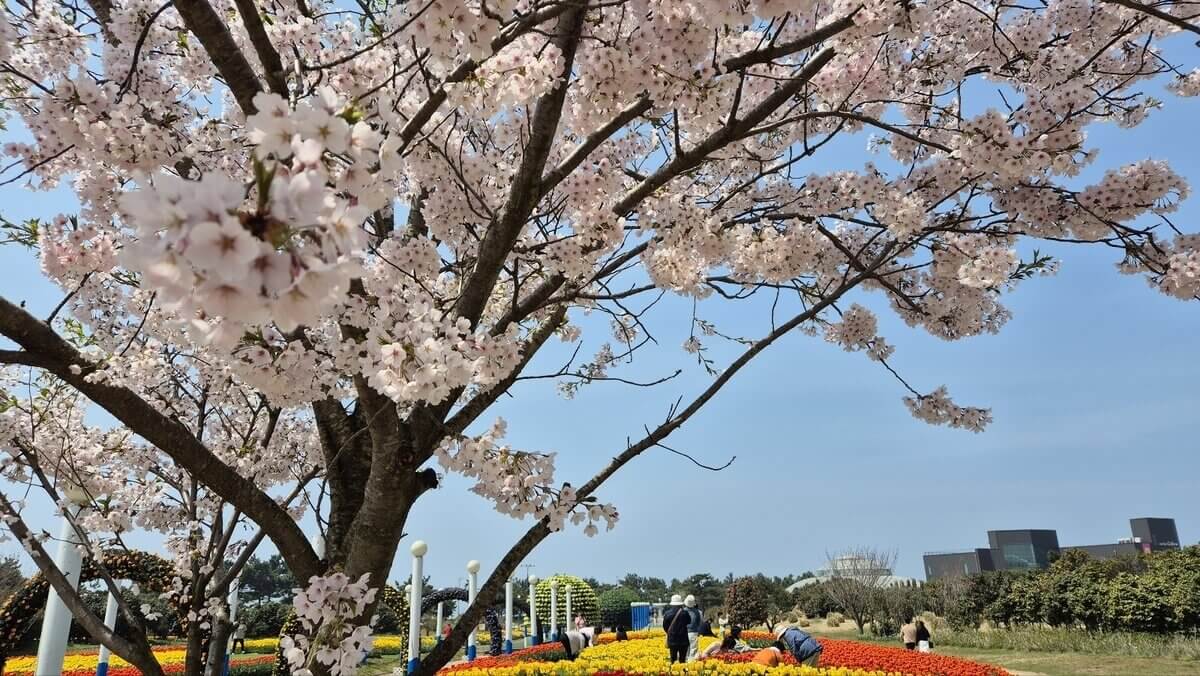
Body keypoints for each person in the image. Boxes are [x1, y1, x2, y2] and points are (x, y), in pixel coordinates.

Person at [662, 594, 690, 664]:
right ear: (680, 604)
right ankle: (682, 670)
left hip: (672, 640)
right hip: (683, 640)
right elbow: (689, 621)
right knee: (682, 660)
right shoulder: (685, 613)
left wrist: (670, 632)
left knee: (673, 659)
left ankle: (674, 670)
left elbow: (665, 626)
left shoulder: (667, 613)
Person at [684, 594, 703, 662]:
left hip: (684, 632)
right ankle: (691, 664)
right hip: (694, 632)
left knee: (685, 649)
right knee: (693, 650)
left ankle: (684, 663)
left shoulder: (682, 611)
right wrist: (699, 632)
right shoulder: (698, 612)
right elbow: (700, 623)